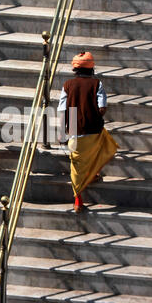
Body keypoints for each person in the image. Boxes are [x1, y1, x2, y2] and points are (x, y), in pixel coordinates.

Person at [57, 52, 118, 213]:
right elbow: (102, 107)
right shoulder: (97, 84)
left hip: (75, 132)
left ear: (74, 69)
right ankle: (93, 173)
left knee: (76, 166)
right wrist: (93, 115)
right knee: (105, 147)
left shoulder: (67, 85)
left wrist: (61, 133)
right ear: (92, 68)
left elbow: (62, 110)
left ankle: (78, 199)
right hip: (94, 130)